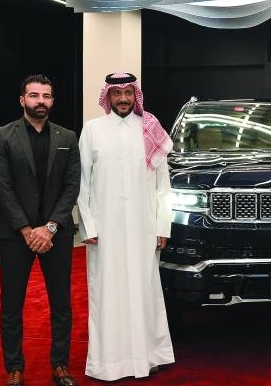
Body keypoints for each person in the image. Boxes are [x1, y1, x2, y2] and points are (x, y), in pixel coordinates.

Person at [77, 72, 175, 380]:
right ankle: (109, 363)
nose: (122, 98)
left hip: (144, 228)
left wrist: (163, 226)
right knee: (107, 294)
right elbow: (82, 184)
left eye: (128, 93)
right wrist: (88, 226)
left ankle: (149, 355)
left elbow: (163, 187)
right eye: (116, 93)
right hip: (104, 233)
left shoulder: (150, 129)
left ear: (136, 96)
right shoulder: (92, 130)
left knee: (145, 292)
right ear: (108, 96)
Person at [0, 75, 80, 386]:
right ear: (22, 99)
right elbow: (2, 187)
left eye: (46, 96)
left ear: (52, 101)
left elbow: (72, 186)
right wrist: (28, 230)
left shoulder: (68, 136)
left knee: (61, 304)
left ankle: (60, 366)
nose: (40, 101)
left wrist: (50, 227)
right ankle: (14, 367)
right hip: (15, 235)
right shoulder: (1, 135)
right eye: (34, 95)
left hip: (57, 234)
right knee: (11, 305)